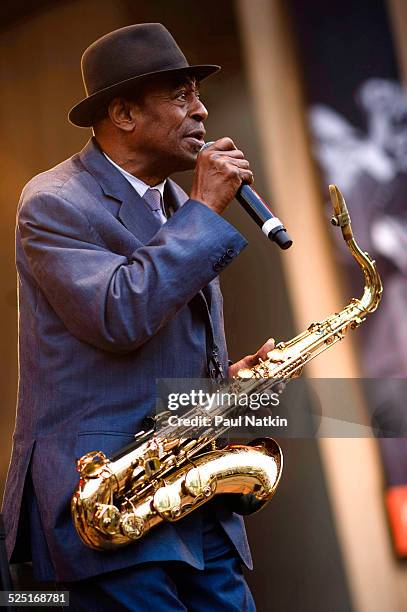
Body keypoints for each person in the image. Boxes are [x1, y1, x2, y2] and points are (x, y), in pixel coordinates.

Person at [2, 23, 274, 610]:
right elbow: (117, 315)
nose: (202, 111)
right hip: (109, 508)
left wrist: (228, 386)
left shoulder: (178, 204)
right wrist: (203, 210)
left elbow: (159, 341)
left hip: (193, 500)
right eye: (181, 96)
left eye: (197, 95)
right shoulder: (53, 202)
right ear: (123, 113)